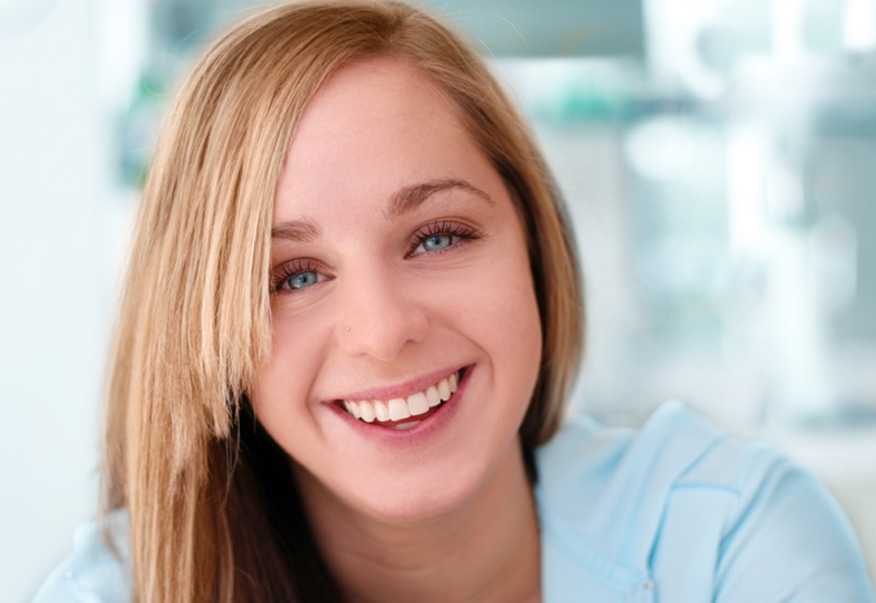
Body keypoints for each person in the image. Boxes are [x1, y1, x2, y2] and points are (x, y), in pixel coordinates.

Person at [35, 1, 874, 601]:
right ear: (202, 333)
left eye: (437, 236)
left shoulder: (730, 543)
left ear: (535, 249)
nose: (384, 329)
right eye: (292, 276)